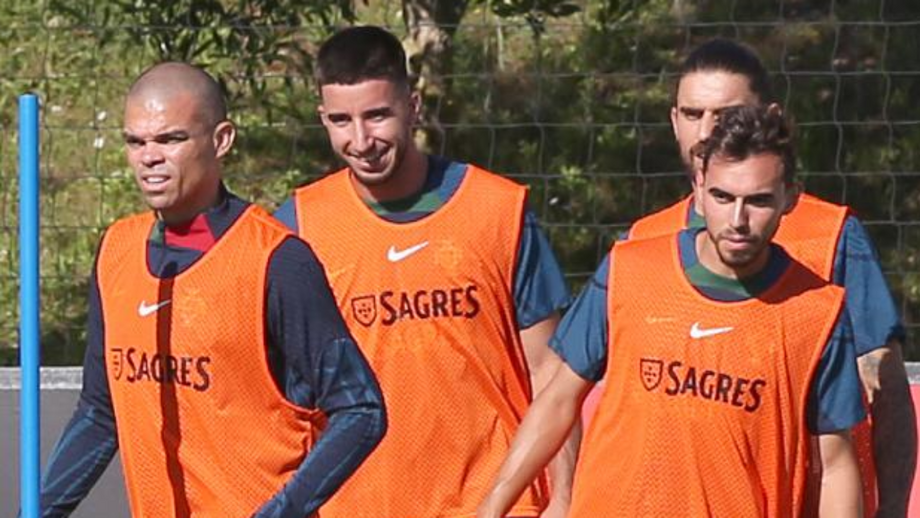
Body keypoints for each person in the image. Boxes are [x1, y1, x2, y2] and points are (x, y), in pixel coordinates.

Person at [33, 62, 386, 518]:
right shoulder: (116, 252)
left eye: (171, 139)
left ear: (221, 140)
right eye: (136, 141)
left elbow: (361, 409)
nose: (149, 156)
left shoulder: (276, 260)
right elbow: (102, 413)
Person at [478, 104, 865, 518]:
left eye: (758, 201)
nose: (737, 219)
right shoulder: (629, 268)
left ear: (790, 198)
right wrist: (492, 508)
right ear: (699, 188)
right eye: (722, 196)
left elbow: (835, 466)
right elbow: (558, 399)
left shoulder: (816, 313)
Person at [273, 25, 576, 518]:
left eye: (377, 115)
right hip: (358, 505)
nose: (361, 140)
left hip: (497, 502)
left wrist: (563, 499)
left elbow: (550, 371)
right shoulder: (300, 227)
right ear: (322, 119)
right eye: (341, 121)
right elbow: (279, 394)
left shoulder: (498, 211)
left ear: (412, 107)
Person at [625, 38, 915, 517]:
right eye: (693, 114)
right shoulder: (641, 245)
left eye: (726, 114)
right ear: (674, 121)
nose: (707, 132)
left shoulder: (831, 236)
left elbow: (885, 386)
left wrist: (893, 509)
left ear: (770, 117)